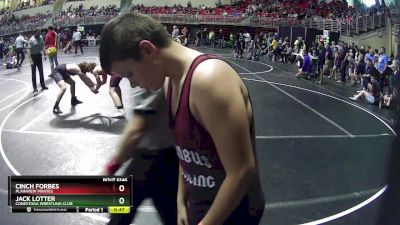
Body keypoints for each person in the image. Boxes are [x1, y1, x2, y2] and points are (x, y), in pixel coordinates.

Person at [100, 13, 265, 225]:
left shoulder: (209, 80)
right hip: (200, 206)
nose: (132, 84)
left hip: (232, 213)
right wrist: (181, 200)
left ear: (147, 49)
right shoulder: (171, 83)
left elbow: (241, 172)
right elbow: (185, 151)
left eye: (130, 74)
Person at [102, 87, 178, 225]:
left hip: (149, 160)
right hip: (169, 156)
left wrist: (110, 168)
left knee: (120, 216)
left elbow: (136, 130)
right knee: (171, 213)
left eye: (129, 74)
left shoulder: (148, 82)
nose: (131, 82)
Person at [28, 29, 48, 94]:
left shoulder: (41, 38)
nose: (39, 33)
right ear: (35, 32)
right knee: (33, 74)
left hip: (39, 56)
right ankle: (35, 88)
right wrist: (30, 60)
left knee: (41, 71)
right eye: (38, 32)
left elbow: (43, 46)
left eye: (40, 32)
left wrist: (45, 54)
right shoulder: (31, 40)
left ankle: (43, 85)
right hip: (33, 57)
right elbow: (29, 51)